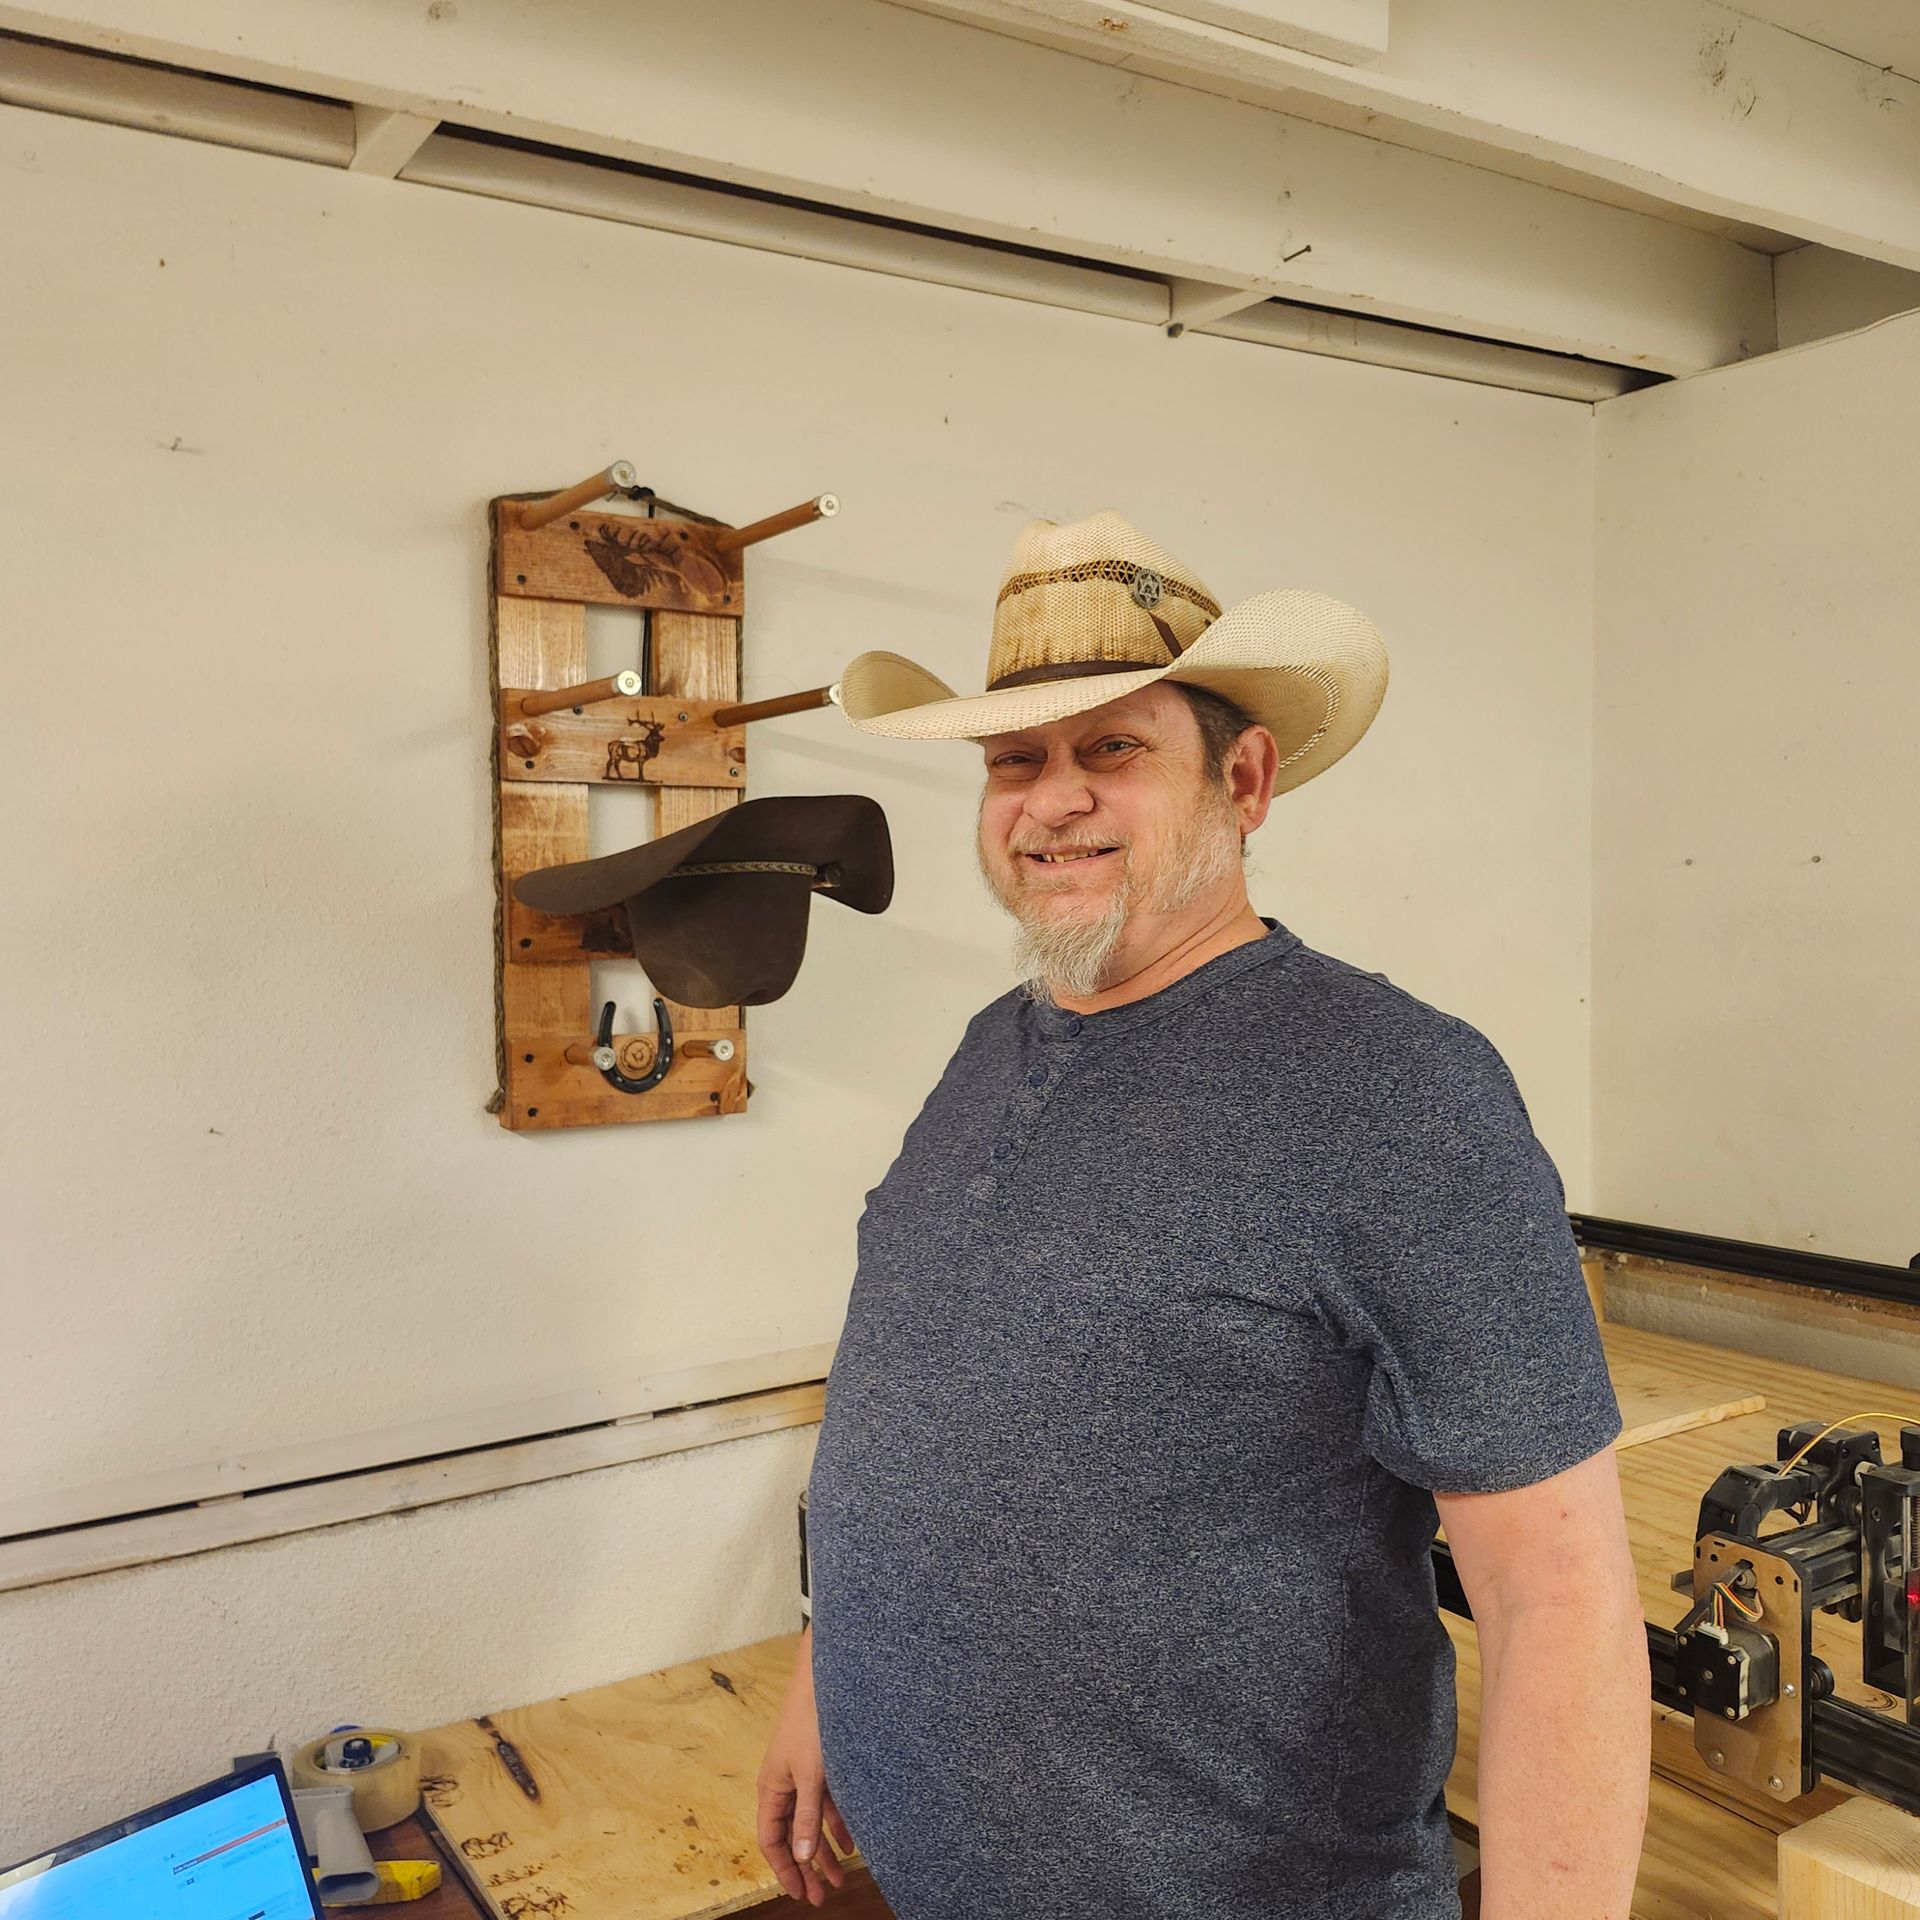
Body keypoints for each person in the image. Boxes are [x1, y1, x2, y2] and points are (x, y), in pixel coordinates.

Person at [757, 511, 1650, 1919]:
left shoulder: (1397, 1089)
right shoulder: (996, 1046)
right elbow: (920, 1404)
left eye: (1112, 749)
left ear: (1243, 778)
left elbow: (1563, 1603)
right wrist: (831, 1679)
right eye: (1014, 761)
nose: (1051, 803)